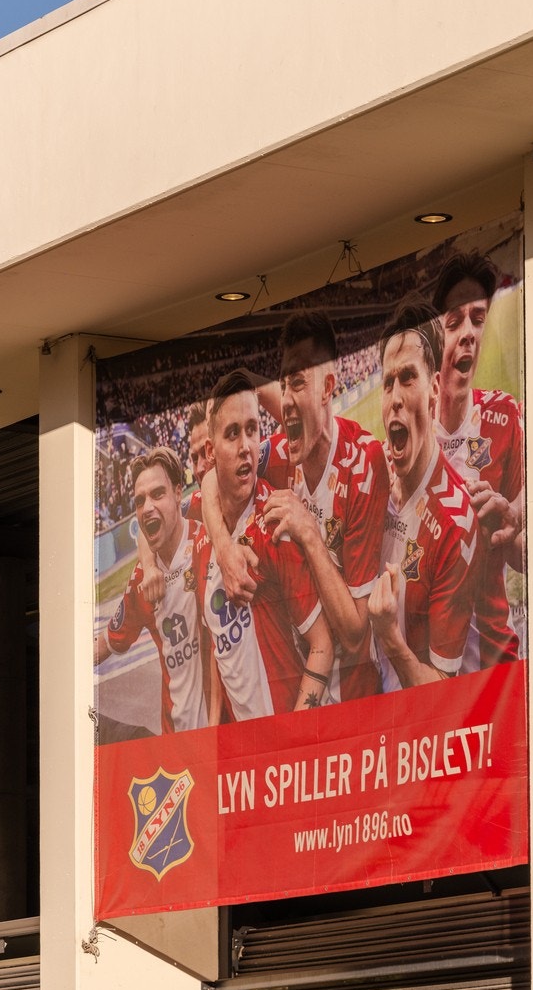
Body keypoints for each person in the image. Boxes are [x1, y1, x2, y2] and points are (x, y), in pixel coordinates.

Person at [199, 311, 389, 699]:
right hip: (303, 689)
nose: (285, 401)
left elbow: (354, 634)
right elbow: (210, 480)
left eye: (297, 383)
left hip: (358, 693)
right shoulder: (280, 454)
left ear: (328, 387)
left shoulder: (363, 464)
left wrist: (309, 533)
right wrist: (223, 548)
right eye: (282, 386)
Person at [193, 370, 336, 721]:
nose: (246, 446)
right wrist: (213, 730)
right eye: (232, 433)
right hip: (243, 752)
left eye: (252, 429)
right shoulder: (201, 538)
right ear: (211, 452)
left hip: (291, 745)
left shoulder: (275, 526)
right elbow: (218, 644)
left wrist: (293, 735)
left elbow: (322, 646)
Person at [367, 299, 480, 690]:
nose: (394, 397)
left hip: (420, 740)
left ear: (434, 388)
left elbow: (441, 694)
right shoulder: (373, 483)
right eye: (387, 382)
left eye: (408, 378)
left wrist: (389, 637)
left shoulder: (455, 522)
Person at [431, 249, 525, 665]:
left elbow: (527, 557)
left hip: (495, 663)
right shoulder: (408, 440)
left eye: (479, 319)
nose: (469, 332)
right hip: (428, 674)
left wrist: (512, 528)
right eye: (455, 321)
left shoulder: (505, 418)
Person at [95, 446, 206, 734]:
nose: (147, 507)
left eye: (158, 494)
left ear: (178, 493)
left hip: (226, 732)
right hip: (177, 742)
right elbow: (106, 643)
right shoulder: (143, 581)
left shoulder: (209, 539)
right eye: (140, 500)